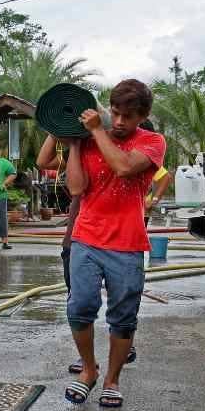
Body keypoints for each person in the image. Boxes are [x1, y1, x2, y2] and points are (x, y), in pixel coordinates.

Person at [63, 79, 165, 408]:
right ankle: (89, 371)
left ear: (143, 116)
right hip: (86, 238)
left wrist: (95, 132)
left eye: (129, 116)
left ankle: (112, 380)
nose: (120, 122)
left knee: (122, 316)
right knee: (79, 307)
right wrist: (73, 140)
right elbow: (76, 188)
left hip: (127, 242)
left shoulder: (152, 142)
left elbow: (123, 168)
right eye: (116, 113)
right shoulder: (93, 139)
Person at [37, 136, 138, 373]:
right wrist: (56, 132)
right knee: (78, 302)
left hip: (116, 241)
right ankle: (86, 359)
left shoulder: (124, 158)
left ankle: (124, 343)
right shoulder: (81, 154)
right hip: (77, 238)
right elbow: (44, 161)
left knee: (122, 302)